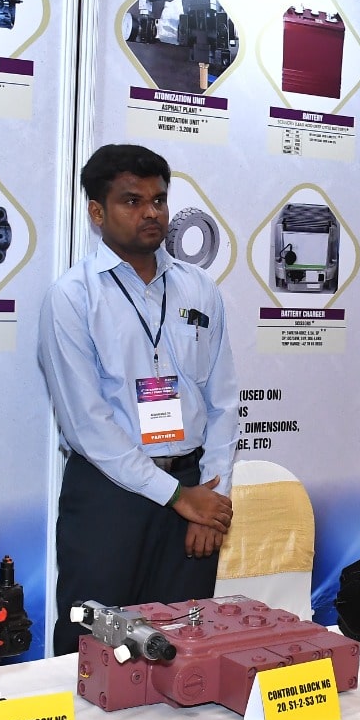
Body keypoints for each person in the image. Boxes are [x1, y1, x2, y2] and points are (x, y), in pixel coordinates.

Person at [38, 144, 237, 654]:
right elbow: (87, 424)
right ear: (96, 212)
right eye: (132, 201)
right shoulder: (73, 297)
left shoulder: (199, 288)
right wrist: (178, 497)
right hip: (109, 499)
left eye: (159, 200)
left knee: (184, 646)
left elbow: (222, 402)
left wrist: (211, 499)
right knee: (94, 647)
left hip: (192, 490)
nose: (152, 213)